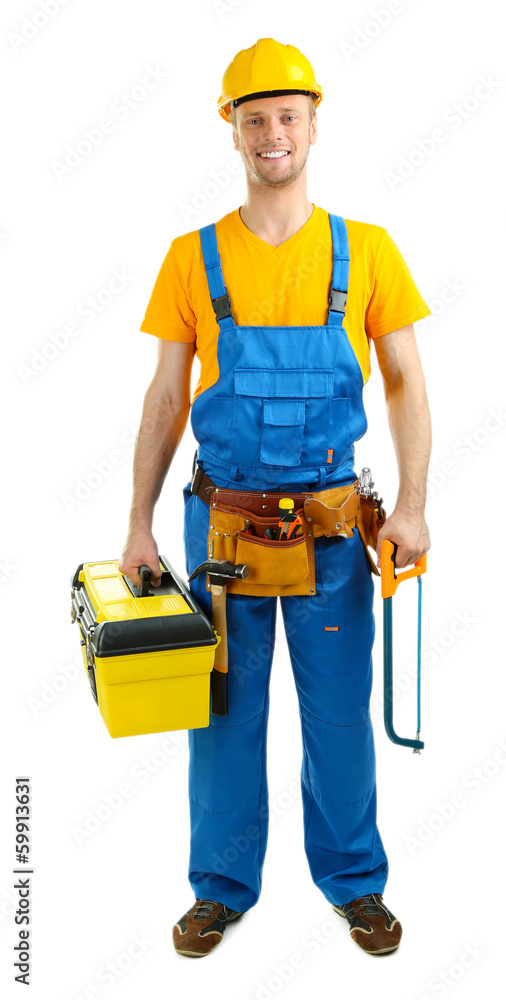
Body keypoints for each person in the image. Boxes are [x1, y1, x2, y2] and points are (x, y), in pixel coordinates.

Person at [119, 37, 432, 959]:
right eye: (254, 117)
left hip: (336, 537)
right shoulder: (192, 258)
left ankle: (355, 884)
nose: (272, 133)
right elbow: (168, 398)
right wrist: (136, 524)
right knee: (219, 718)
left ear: (313, 124)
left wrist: (412, 506)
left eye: (287, 116)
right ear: (233, 131)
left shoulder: (365, 252)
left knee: (338, 721)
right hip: (220, 530)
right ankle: (219, 888)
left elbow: (408, 380)